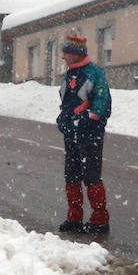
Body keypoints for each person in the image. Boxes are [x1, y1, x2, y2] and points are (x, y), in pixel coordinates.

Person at [56, 32, 111, 235]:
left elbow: (102, 103)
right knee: (71, 175)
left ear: (76, 53)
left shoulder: (94, 73)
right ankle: (75, 216)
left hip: (90, 135)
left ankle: (100, 218)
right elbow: (67, 100)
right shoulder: (70, 74)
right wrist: (63, 117)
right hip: (72, 133)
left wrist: (88, 121)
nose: (63, 57)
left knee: (91, 176)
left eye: (66, 53)